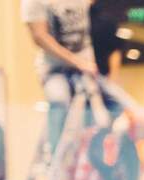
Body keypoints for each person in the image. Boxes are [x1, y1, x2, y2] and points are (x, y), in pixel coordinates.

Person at [22, 0, 97, 153]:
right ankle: (56, 159)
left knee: (97, 109)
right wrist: (77, 62)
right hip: (55, 69)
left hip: (86, 70)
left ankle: (90, 158)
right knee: (59, 100)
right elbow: (39, 36)